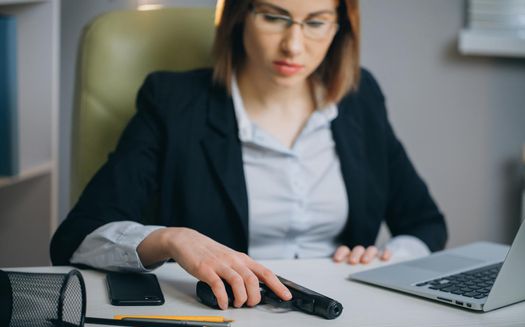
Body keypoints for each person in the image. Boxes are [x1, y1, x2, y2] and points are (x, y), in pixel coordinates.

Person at [51, 0, 447, 310]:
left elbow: (425, 223)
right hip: (228, 319)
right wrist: (170, 239)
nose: (294, 44)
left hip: (341, 313)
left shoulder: (360, 100)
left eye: (315, 21)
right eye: (274, 17)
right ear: (240, 14)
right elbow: (76, 237)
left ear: (339, 27)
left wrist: (387, 256)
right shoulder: (173, 103)